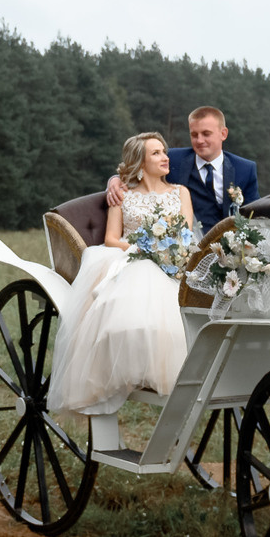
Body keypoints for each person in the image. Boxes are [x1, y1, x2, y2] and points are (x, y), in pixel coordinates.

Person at [47, 132, 196, 415]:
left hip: (175, 257)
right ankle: (125, 369)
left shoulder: (180, 192)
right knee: (137, 286)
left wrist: (167, 252)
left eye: (163, 151)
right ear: (140, 162)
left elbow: (185, 232)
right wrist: (147, 248)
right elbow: (113, 239)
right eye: (156, 153)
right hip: (132, 256)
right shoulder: (123, 196)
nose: (165, 157)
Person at [106, 106, 261, 232]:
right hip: (189, 246)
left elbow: (254, 214)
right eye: (194, 134)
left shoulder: (245, 169)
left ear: (223, 133)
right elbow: (138, 164)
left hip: (230, 247)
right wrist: (114, 180)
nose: (200, 140)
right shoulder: (172, 159)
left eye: (206, 134)